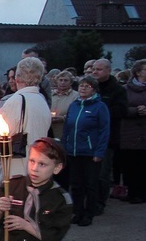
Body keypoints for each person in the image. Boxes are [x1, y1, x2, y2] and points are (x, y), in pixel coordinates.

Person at [0, 57, 51, 189]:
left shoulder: (17, 100)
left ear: (18, 78)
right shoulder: (42, 100)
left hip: (18, 165)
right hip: (38, 163)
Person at [61, 76, 110, 226]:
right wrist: (64, 146)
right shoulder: (74, 105)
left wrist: (99, 152)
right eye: (81, 86)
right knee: (76, 184)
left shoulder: (100, 107)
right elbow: (67, 128)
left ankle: (89, 213)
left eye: (87, 86)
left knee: (90, 184)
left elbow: (104, 131)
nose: (82, 88)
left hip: (90, 153)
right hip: (74, 152)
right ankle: (78, 211)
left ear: (94, 90)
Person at [90, 58, 127, 215]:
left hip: (107, 139)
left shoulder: (117, 90)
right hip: (88, 138)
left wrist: (99, 114)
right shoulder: (90, 88)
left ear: (107, 71)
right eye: (93, 69)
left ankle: (99, 203)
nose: (94, 72)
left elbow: (121, 111)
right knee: (88, 174)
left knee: (102, 174)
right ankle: (88, 202)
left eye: (98, 69)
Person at [121, 59, 146, 203]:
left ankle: (143, 192)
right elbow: (121, 108)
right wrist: (135, 110)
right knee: (131, 164)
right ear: (138, 72)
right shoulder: (125, 89)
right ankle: (132, 192)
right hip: (129, 132)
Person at [50, 70, 79, 140]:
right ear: (57, 81)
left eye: (66, 80)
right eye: (60, 80)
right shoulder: (50, 94)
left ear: (71, 82)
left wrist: (63, 118)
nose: (63, 82)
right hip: (49, 129)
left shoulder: (76, 96)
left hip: (65, 130)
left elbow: (76, 113)